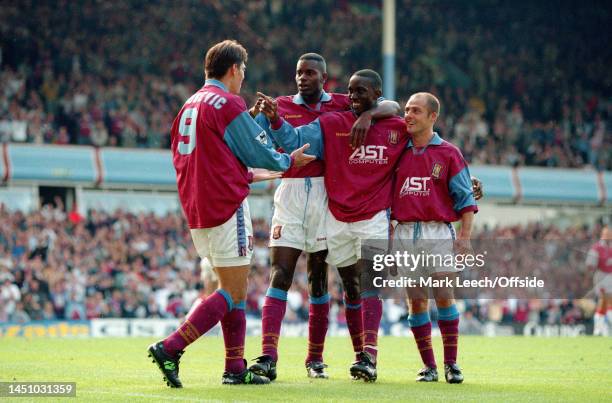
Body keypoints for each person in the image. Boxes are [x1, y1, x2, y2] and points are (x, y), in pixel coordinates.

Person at [147, 39, 315, 388]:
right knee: (232, 291)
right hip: (225, 206)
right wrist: (288, 161)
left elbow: (212, 151)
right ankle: (171, 347)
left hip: (198, 209)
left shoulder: (190, 103)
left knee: (231, 290)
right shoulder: (226, 102)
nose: (243, 78)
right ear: (235, 69)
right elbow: (259, 151)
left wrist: (248, 122)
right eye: (244, 71)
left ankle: (234, 367)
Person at [249, 53, 401, 380]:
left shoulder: (346, 103)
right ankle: (267, 356)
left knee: (321, 280)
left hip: (325, 193)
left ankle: (319, 358)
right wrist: (258, 122)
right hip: (289, 190)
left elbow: (392, 105)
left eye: (310, 73)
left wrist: (368, 115)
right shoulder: (280, 105)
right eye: (299, 72)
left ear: (324, 78)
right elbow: (253, 139)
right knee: (281, 273)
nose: (303, 78)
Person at [391, 92, 477, 384]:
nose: (409, 115)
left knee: (443, 295)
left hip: (437, 231)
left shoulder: (449, 153)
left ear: (432, 117)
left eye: (416, 110)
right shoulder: (397, 150)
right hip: (404, 232)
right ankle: (429, 366)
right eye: (407, 110)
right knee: (416, 302)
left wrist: (465, 237)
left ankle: (452, 364)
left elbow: (466, 199)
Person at [586, 224, 611, 336]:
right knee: (606, 301)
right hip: (602, 277)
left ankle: (599, 328)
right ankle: (601, 328)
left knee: (604, 304)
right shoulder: (596, 248)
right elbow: (590, 265)